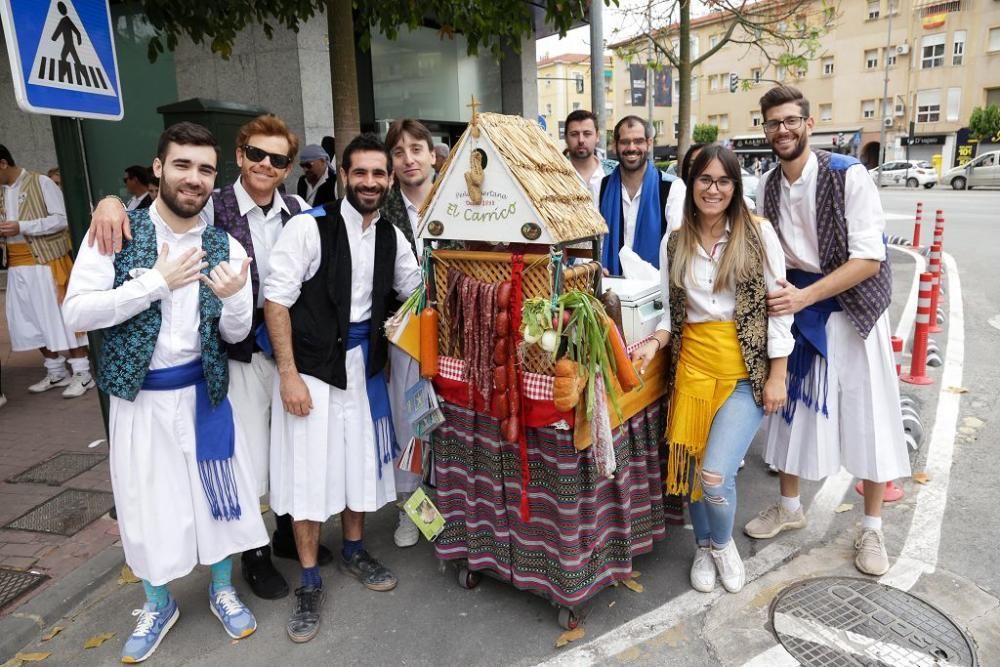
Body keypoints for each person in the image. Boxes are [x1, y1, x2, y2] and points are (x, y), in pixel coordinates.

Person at [62, 122, 267, 663]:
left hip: (204, 395)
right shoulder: (115, 231)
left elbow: (236, 333)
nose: (193, 179)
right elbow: (76, 311)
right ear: (158, 168)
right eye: (182, 165)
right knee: (146, 502)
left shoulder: (226, 245)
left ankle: (222, 589)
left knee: (216, 496)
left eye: (204, 169)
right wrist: (154, 282)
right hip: (141, 400)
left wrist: (236, 298)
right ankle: (158, 603)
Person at [86, 114, 312, 602]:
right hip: (231, 357)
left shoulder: (297, 208)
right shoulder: (210, 210)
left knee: (282, 450)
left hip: (277, 347)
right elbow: (161, 217)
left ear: (289, 166)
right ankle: (238, 568)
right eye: (256, 154)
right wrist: (109, 203)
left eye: (277, 159)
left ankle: (279, 540)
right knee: (230, 469)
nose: (265, 165)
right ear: (238, 157)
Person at [744, 85, 910, 576]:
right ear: (766, 129)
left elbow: (869, 258)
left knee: (870, 417)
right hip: (802, 311)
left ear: (810, 124)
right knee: (792, 414)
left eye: (791, 120)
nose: (783, 130)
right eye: (774, 123)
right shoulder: (767, 186)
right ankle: (790, 509)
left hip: (856, 311)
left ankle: (873, 529)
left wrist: (804, 297)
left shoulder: (848, 175)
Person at [263, 133, 421, 643]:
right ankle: (308, 578)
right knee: (310, 474)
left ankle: (353, 548)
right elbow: (276, 302)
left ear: (390, 180)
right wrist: (288, 375)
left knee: (357, 463)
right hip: (310, 369)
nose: (371, 182)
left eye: (380, 174)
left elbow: (416, 291)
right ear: (343, 175)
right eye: (361, 173)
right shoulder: (309, 228)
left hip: (364, 368)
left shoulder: (392, 236)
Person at [631, 145, 791, 594]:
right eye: (705, 179)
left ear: (736, 187)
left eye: (723, 181)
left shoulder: (759, 235)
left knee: (716, 475)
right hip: (692, 371)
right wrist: (653, 344)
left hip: (744, 373)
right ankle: (702, 546)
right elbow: (670, 312)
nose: (714, 189)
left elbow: (779, 312)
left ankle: (722, 545)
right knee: (693, 472)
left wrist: (777, 374)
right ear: (690, 184)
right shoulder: (674, 241)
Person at [380, 118, 437, 547]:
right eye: (399, 152)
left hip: (458, 332)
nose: (409, 159)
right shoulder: (381, 210)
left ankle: (456, 503)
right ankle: (411, 507)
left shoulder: (458, 200)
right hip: (406, 337)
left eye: (416, 149)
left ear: (432, 154)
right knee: (410, 419)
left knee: (455, 421)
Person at [0, 144, 94, 398]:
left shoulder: (40, 182)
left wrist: (24, 225)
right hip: (17, 267)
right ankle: (55, 370)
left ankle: (82, 373)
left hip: (45, 264)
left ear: (2, 163)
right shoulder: (2, 192)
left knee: (61, 319)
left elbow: (63, 218)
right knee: (28, 322)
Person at [598, 115, 686, 275]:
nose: (631, 148)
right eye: (625, 142)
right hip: (610, 287)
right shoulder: (602, 188)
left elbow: (678, 248)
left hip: (656, 291)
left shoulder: (672, 188)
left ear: (649, 144)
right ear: (614, 146)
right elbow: (596, 241)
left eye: (638, 141)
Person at [564, 109, 616, 204]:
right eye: (574, 134)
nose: (581, 140)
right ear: (566, 138)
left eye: (587, 134)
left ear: (597, 136)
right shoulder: (554, 174)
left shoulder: (615, 172)